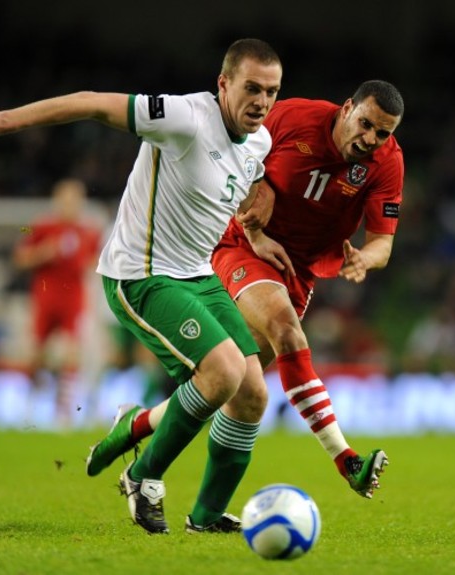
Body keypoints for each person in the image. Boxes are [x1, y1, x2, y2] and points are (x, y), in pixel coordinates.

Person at [0, 38, 284, 535]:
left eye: (271, 92)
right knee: (224, 372)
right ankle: (142, 476)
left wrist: (255, 232)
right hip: (141, 274)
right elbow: (91, 102)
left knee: (253, 392)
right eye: (252, 88)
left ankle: (206, 514)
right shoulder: (184, 117)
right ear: (224, 83)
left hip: (198, 274)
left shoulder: (260, 141)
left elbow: (233, 191)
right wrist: (4, 120)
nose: (262, 102)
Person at [86, 79, 403, 499]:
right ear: (347, 108)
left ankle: (137, 429)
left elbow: (384, 241)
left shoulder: (387, 162)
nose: (371, 139)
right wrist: (255, 205)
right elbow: (229, 155)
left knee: (236, 386)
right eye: (365, 124)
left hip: (299, 271)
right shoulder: (293, 118)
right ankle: (346, 460)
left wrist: (366, 257)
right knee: (286, 330)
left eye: (383, 133)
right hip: (243, 245)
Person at [13, 178, 102, 425]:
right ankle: (29, 405)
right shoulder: (38, 227)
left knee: (72, 353)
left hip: (73, 299)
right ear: (57, 201)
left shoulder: (90, 231)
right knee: (36, 354)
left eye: (75, 199)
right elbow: (20, 256)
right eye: (65, 199)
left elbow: (96, 261)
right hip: (45, 297)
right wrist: (43, 253)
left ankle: (64, 413)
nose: (70, 205)